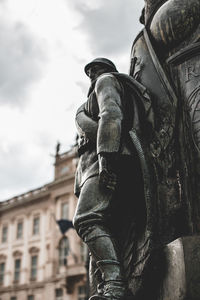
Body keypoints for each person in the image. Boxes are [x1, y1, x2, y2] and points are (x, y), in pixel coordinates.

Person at [73, 58, 147, 300]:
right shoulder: (91, 97)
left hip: (103, 161)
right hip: (91, 166)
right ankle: (110, 285)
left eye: (95, 69)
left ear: (106, 70)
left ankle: (115, 285)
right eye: (90, 71)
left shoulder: (106, 82)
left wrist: (106, 157)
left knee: (86, 218)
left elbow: (111, 113)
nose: (92, 74)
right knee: (106, 225)